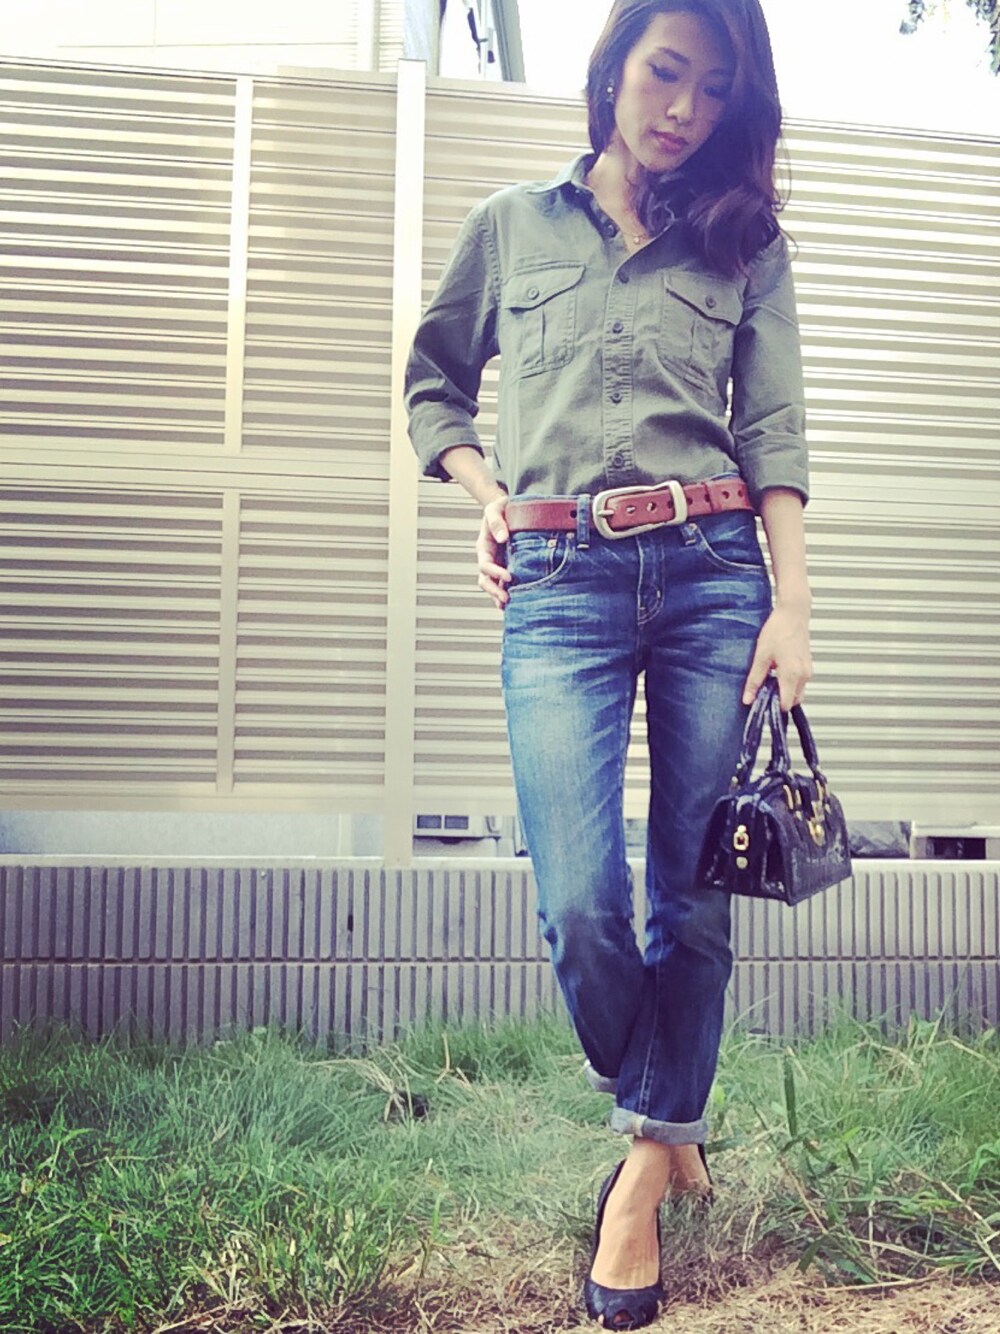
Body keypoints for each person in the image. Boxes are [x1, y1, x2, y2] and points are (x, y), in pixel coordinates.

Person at [405, 1, 812, 1326]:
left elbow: (777, 429)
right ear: (615, 69)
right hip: (558, 581)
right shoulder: (511, 226)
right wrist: (483, 493)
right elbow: (431, 382)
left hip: (712, 572)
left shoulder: (745, 243)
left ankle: (639, 1178)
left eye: (714, 87)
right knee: (579, 896)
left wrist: (793, 606)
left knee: (691, 896)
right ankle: (671, 1110)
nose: (685, 109)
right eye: (665, 72)